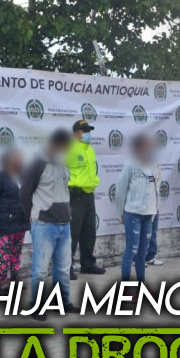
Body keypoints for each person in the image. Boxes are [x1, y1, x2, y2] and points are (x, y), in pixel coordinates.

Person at [20, 129, 77, 319]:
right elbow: (24, 194)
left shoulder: (63, 163)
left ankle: (63, 302)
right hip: (44, 225)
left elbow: (65, 192)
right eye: (65, 146)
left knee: (63, 268)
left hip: (65, 224)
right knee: (40, 270)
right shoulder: (37, 164)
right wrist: (34, 215)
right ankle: (36, 307)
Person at [115, 135, 160, 292]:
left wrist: (155, 210)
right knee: (130, 252)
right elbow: (120, 191)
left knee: (142, 254)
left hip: (149, 215)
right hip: (133, 214)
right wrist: (120, 212)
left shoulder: (153, 166)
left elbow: (155, 190)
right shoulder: (131, 166)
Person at [0, 148, 29, 291]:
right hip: (5, 224)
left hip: (21, 223)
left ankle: (15, 279)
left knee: (16, 254)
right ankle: (3, 282)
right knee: (5, 255)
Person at [66, 119, 105, 279]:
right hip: (75, 195)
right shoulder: (69, 149)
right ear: (76, 133)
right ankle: (65, 268)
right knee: (72, 233)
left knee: (89, 232)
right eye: (85, 131)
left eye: (89, 131)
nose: (88, 134)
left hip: (89, 195)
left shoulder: (90, 150)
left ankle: (87, 264)